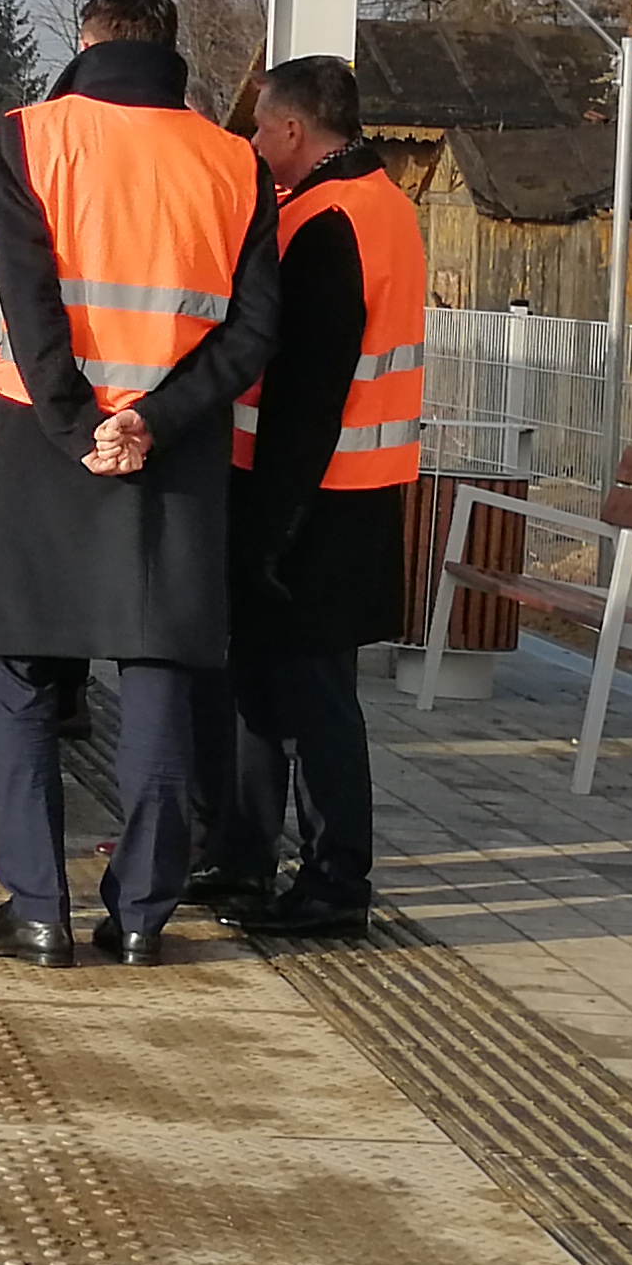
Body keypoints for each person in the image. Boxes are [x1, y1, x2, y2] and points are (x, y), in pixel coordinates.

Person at [0, 0, 276, 969]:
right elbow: (252, 330)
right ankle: (141, 914)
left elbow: (27, 301)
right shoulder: (236, 161)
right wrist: (152, 419)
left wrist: (77, 424)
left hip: (43, 437)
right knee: (161, 673)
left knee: (17, 669)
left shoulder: (28, 136)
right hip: (175, 450)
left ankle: (35, 908)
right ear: (170, 47)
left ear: (88, 40)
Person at [197, 53, 427, 940]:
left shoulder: (329, 223)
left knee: (315, 699)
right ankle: (244, 854)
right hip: (343, 492)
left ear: (293, 129)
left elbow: (307, 395)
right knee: (262, 682)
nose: (254, 143)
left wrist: (269, 525)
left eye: (260, 128)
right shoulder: (377, 204)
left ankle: (335, 879)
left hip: (315, 503)